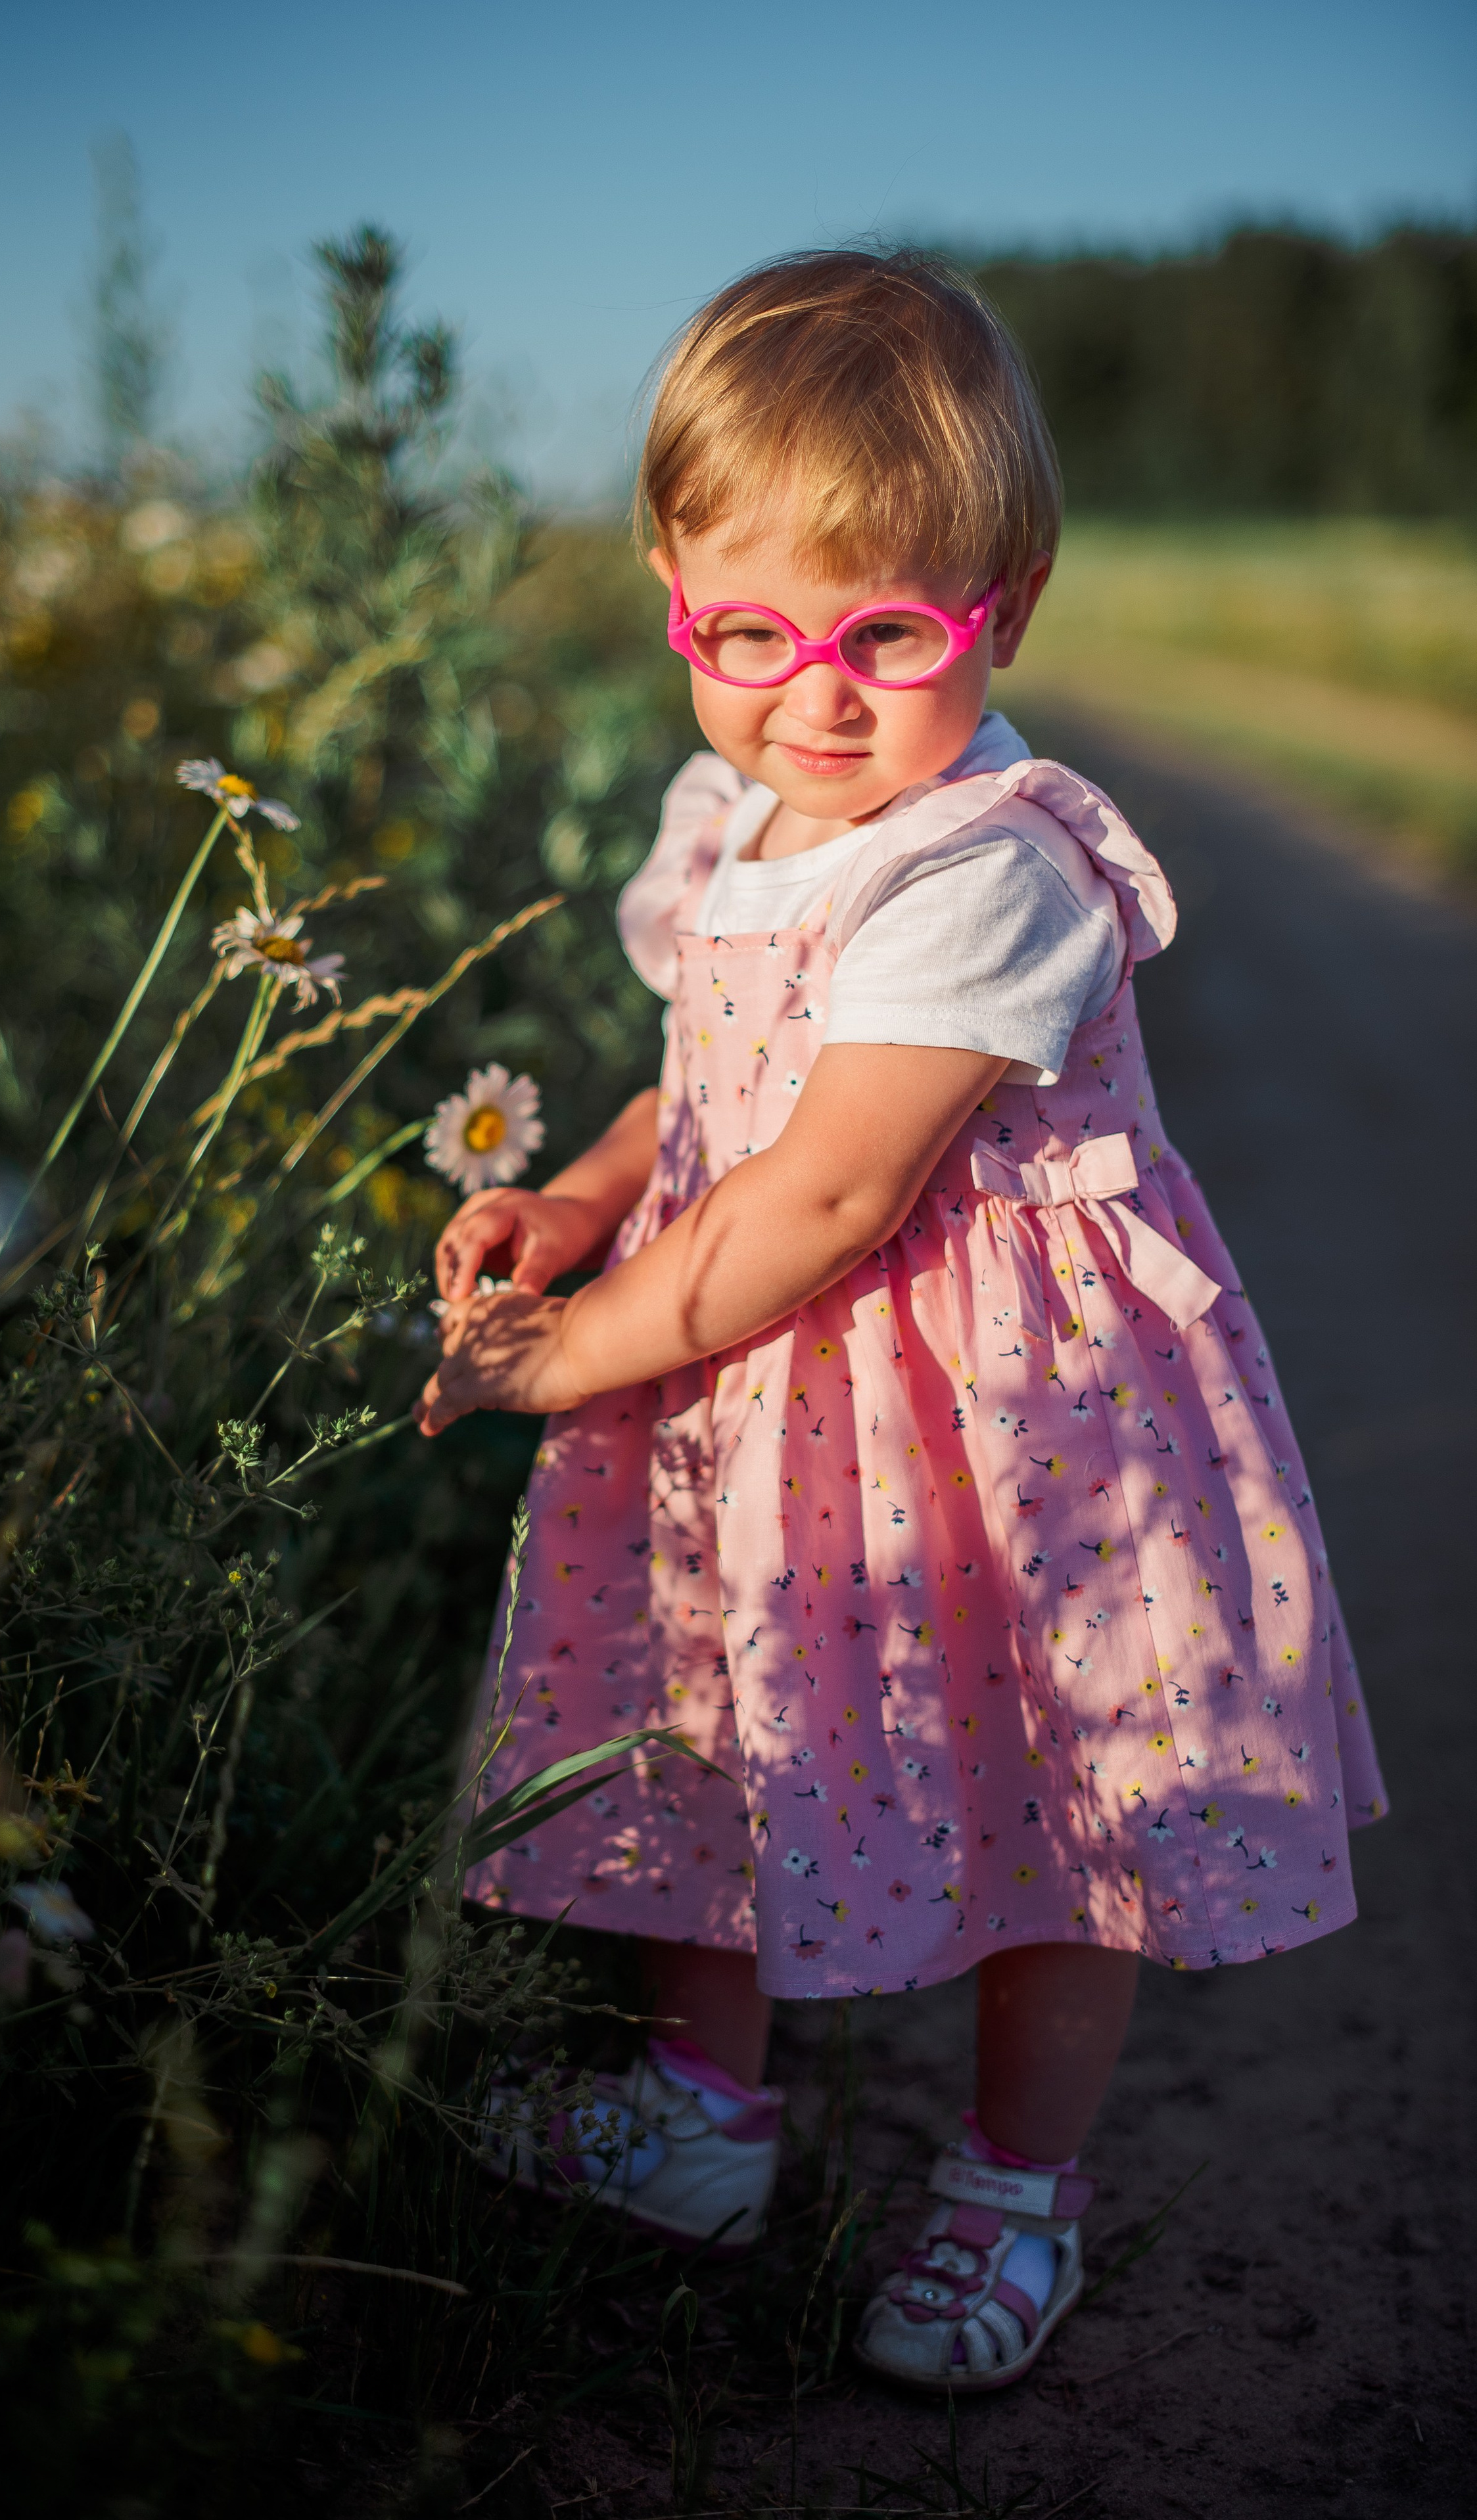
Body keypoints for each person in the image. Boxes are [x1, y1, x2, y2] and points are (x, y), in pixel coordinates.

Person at [413, 248, 1386, 2393]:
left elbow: (843, 1178)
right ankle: (697, 2113)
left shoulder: (988, 866)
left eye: (889, 637)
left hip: (998, 1424)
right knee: (707, 1705)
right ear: (671, 583)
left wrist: (575, 1356)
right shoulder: (732, 817)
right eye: (743, 633)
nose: (812, 698)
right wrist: (581, 1203)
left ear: (1006, 610)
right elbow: (710, 1077)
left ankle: (1014, 2187)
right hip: (749, 1367)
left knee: (1054, 1775)